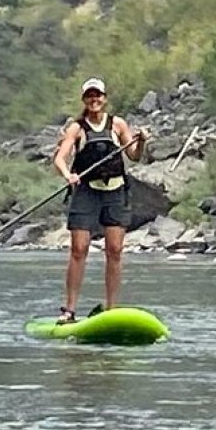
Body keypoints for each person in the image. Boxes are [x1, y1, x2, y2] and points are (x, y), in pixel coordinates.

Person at [52, 77, 148, 323]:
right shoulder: (77, 128)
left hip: (115, 192)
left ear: (104, 99)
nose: (94, 100)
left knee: (114, 251)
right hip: (86, 193)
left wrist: (142, 141)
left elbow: (134, 156)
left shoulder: (117, 125)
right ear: (84, 100)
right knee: (79, 249)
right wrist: (68, 175)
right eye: (89, 96)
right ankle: (70, 310)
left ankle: (111, 309)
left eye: (98, 96)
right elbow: (60, 159)